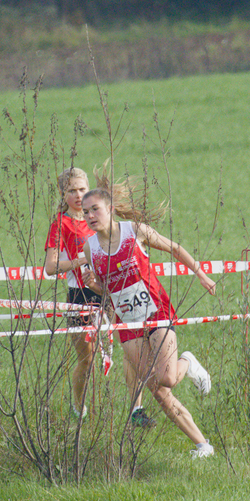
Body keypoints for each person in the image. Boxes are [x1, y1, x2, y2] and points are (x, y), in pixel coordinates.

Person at [80, 184, 218, 459]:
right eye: (85, 212)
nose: (90, 216)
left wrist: (200, 273)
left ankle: (188, 362)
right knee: (155, 390)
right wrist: (93, 286)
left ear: (110, 208)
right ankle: (203, 446)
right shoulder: (90, 248)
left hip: (156, 312)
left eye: (95, 209)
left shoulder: (134, 231)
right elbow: (109, 290)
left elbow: (174, 248)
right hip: (127, 323)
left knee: (167, 378)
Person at [44, 167, 104, 418]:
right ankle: (79, 407)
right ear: (62, 193)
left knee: (126, 349)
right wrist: (80, 261)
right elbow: (50, 267)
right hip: (79, 296)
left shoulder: (100, 216)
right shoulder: (61, 224)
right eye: (72, 191)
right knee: (87, 359)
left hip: (108, 291)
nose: (78, 195)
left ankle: (135, 408)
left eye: (82, 189)